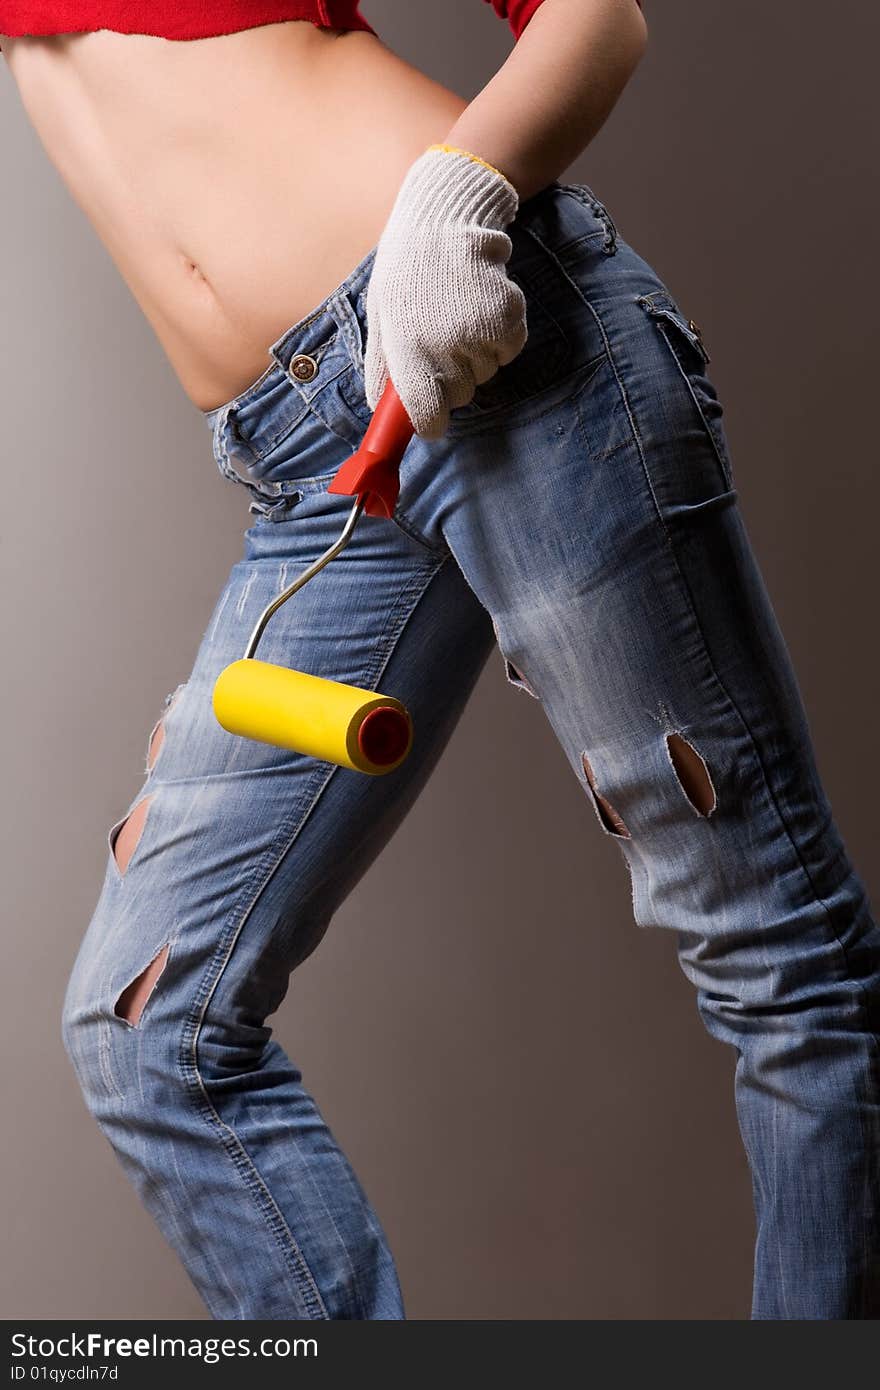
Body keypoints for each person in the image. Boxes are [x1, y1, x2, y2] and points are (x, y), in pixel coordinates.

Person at [3, 1, 877, 1320]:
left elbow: (600, 17)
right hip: (313, 469)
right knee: (148, 1027)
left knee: (785, 970)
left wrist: (455, 199)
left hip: (491, 334)